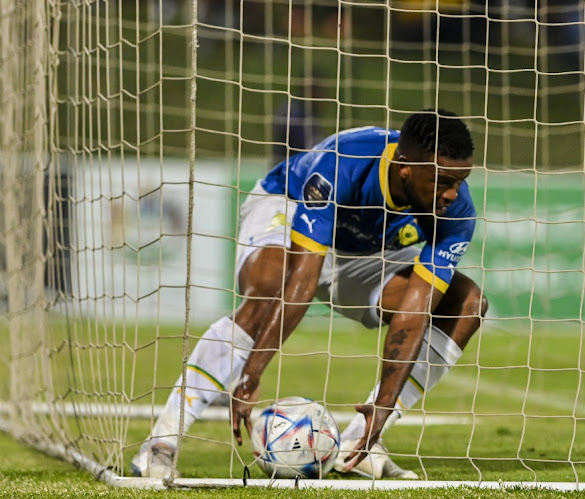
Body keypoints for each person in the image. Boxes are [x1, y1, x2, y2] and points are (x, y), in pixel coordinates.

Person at [130, 109, 488, 479]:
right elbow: (301, 282)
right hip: (286, 208)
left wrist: (384, 405)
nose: (453, 193)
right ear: (404, 166)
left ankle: (357, 444)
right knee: (271, 289)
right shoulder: (344, 162)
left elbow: (414, 313)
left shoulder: (455, 211)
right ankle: (161, 444)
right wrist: (252, 372)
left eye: (461, 180)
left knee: (467, 304)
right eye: (444, 180)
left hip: (365, 252)